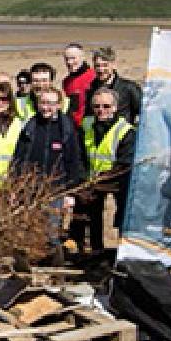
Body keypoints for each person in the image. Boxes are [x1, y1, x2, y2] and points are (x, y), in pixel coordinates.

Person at [71, 88, 138, 254]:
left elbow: (125, 162)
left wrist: (103, 178)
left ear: (115, 108)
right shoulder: (86, 126)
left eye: (106, 106)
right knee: (91, 215)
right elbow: (78, 155)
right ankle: (94, 250)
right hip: (92, 179)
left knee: (123, 216)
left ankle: (124, 251)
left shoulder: (126, 130)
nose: (101, 110)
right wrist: (83, 177)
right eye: (97, 106)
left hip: (118, 180)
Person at [9, 87, 86, 191]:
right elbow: (18, 159)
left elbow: (73, 162)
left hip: (58, 190)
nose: (45, 107)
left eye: (50, 103)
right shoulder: (30, 127)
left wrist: (71, 192)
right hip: (30, 189)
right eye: (42, 103)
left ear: (58, 105)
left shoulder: (66, 129)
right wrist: (14, 185)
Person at [86, 47, 143, 124]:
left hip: (123, 131)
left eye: (105, 65)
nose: (101, 69)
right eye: (97, 66)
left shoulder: (129, 88)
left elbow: (144, 113)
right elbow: (89, 115)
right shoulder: (91, 89)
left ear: (113, 65)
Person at [61, 43, 96, 126]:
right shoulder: (66, 81)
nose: (69, 62)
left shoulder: (94, 76)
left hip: (91, 124)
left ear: (82, 57)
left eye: (73, 58)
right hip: (74, 125)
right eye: (67, 59)